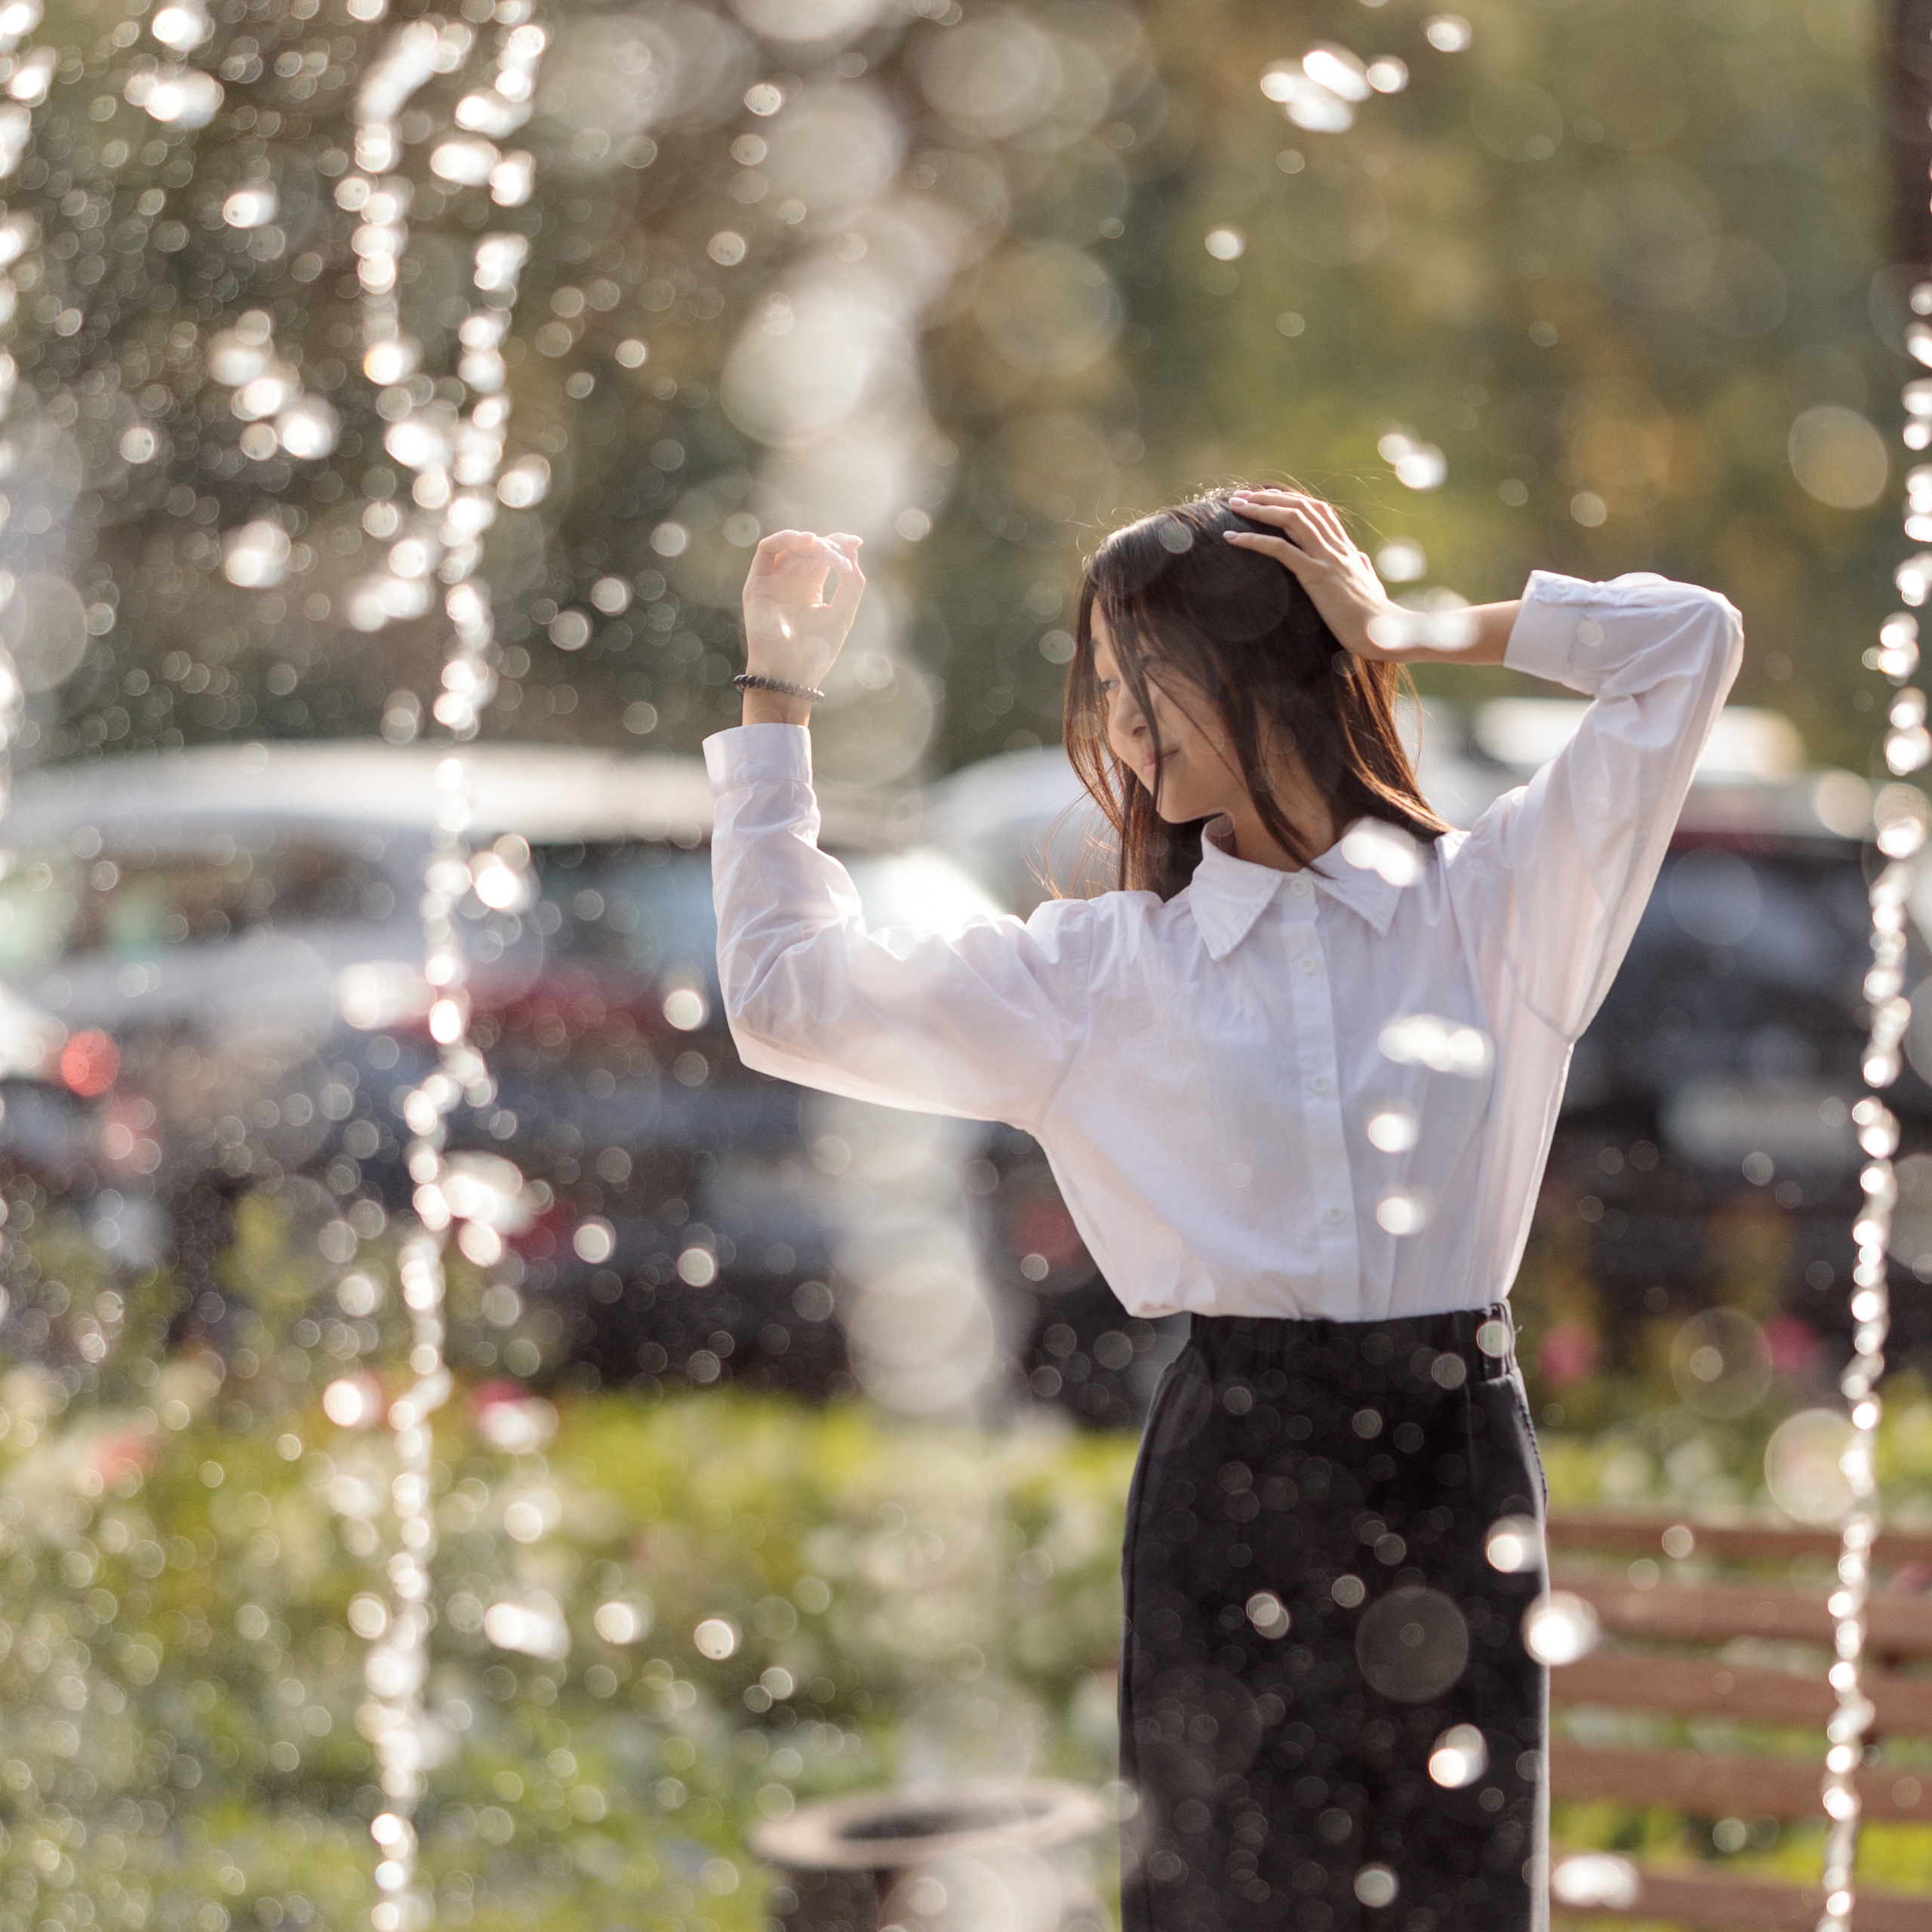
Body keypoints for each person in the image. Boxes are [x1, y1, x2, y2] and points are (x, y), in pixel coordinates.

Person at [705, 485, 1743, 1932]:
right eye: (1108, 688)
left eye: (1151, 675)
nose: (1124, 723)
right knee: (1224, 1900)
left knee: (1454, 1901)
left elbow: (1689, 644)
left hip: (1450, 1465)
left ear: (1276, 650)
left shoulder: (1501, 907)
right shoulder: (1100, 976)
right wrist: (779, 700)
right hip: (1235, 1469)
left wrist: (1404, 629)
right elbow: (785, 999)